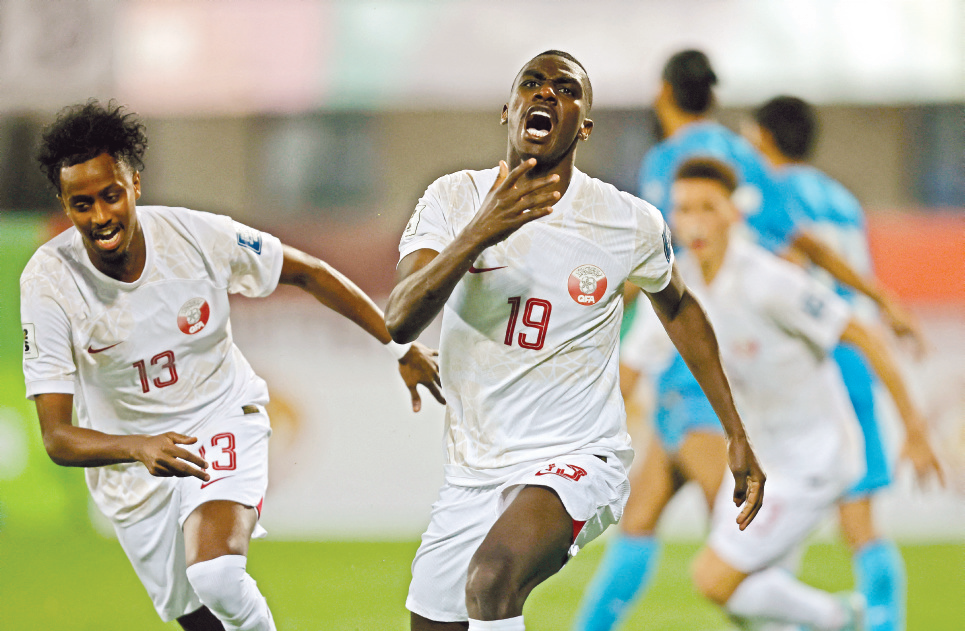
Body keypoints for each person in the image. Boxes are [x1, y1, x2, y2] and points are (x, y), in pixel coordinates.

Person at [21, 100, 444, 631]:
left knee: (217, 575)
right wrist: (139, 447)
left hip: (218, 419)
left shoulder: (195, 237)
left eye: (111, 195)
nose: (101, 216)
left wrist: (400, 346)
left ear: (135, 185)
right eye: (82, 204)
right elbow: (57, 437)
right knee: (198, 619)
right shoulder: (48, 282)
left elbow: (309, 273)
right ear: (64, 204)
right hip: (131, 466)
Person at [383, 51, 765, 631]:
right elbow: (400, 317)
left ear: (583, 126)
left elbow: (680, 307)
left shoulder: (626, 221)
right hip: (474, 468)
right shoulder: (453, 199)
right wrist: (481, 230)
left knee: (492, 579)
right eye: (532, 83)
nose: (546, 93)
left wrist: (735, 430)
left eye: (565, 89)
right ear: (508, 109)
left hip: (578, 456)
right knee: (436, 620)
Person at [577, 158, 942, 631]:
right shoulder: (679, 287)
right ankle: (837, 618)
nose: (695, 222)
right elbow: (629, 371)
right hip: (766, 465)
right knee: (745, 598)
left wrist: (914, 430)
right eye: (684, 210)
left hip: (814, 460)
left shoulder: (769, 282)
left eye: (708, 208)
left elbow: (865, 337)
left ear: (733, 214)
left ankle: (841, 617)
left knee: (713, 578)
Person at [746, 95, 933, 631]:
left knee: (766, 527)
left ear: (764, 137)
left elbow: (781, 275)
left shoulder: (767, 194)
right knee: (861, 526)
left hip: (806, 370)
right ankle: (884, 623)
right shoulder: (843, 199)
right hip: (856, 364)